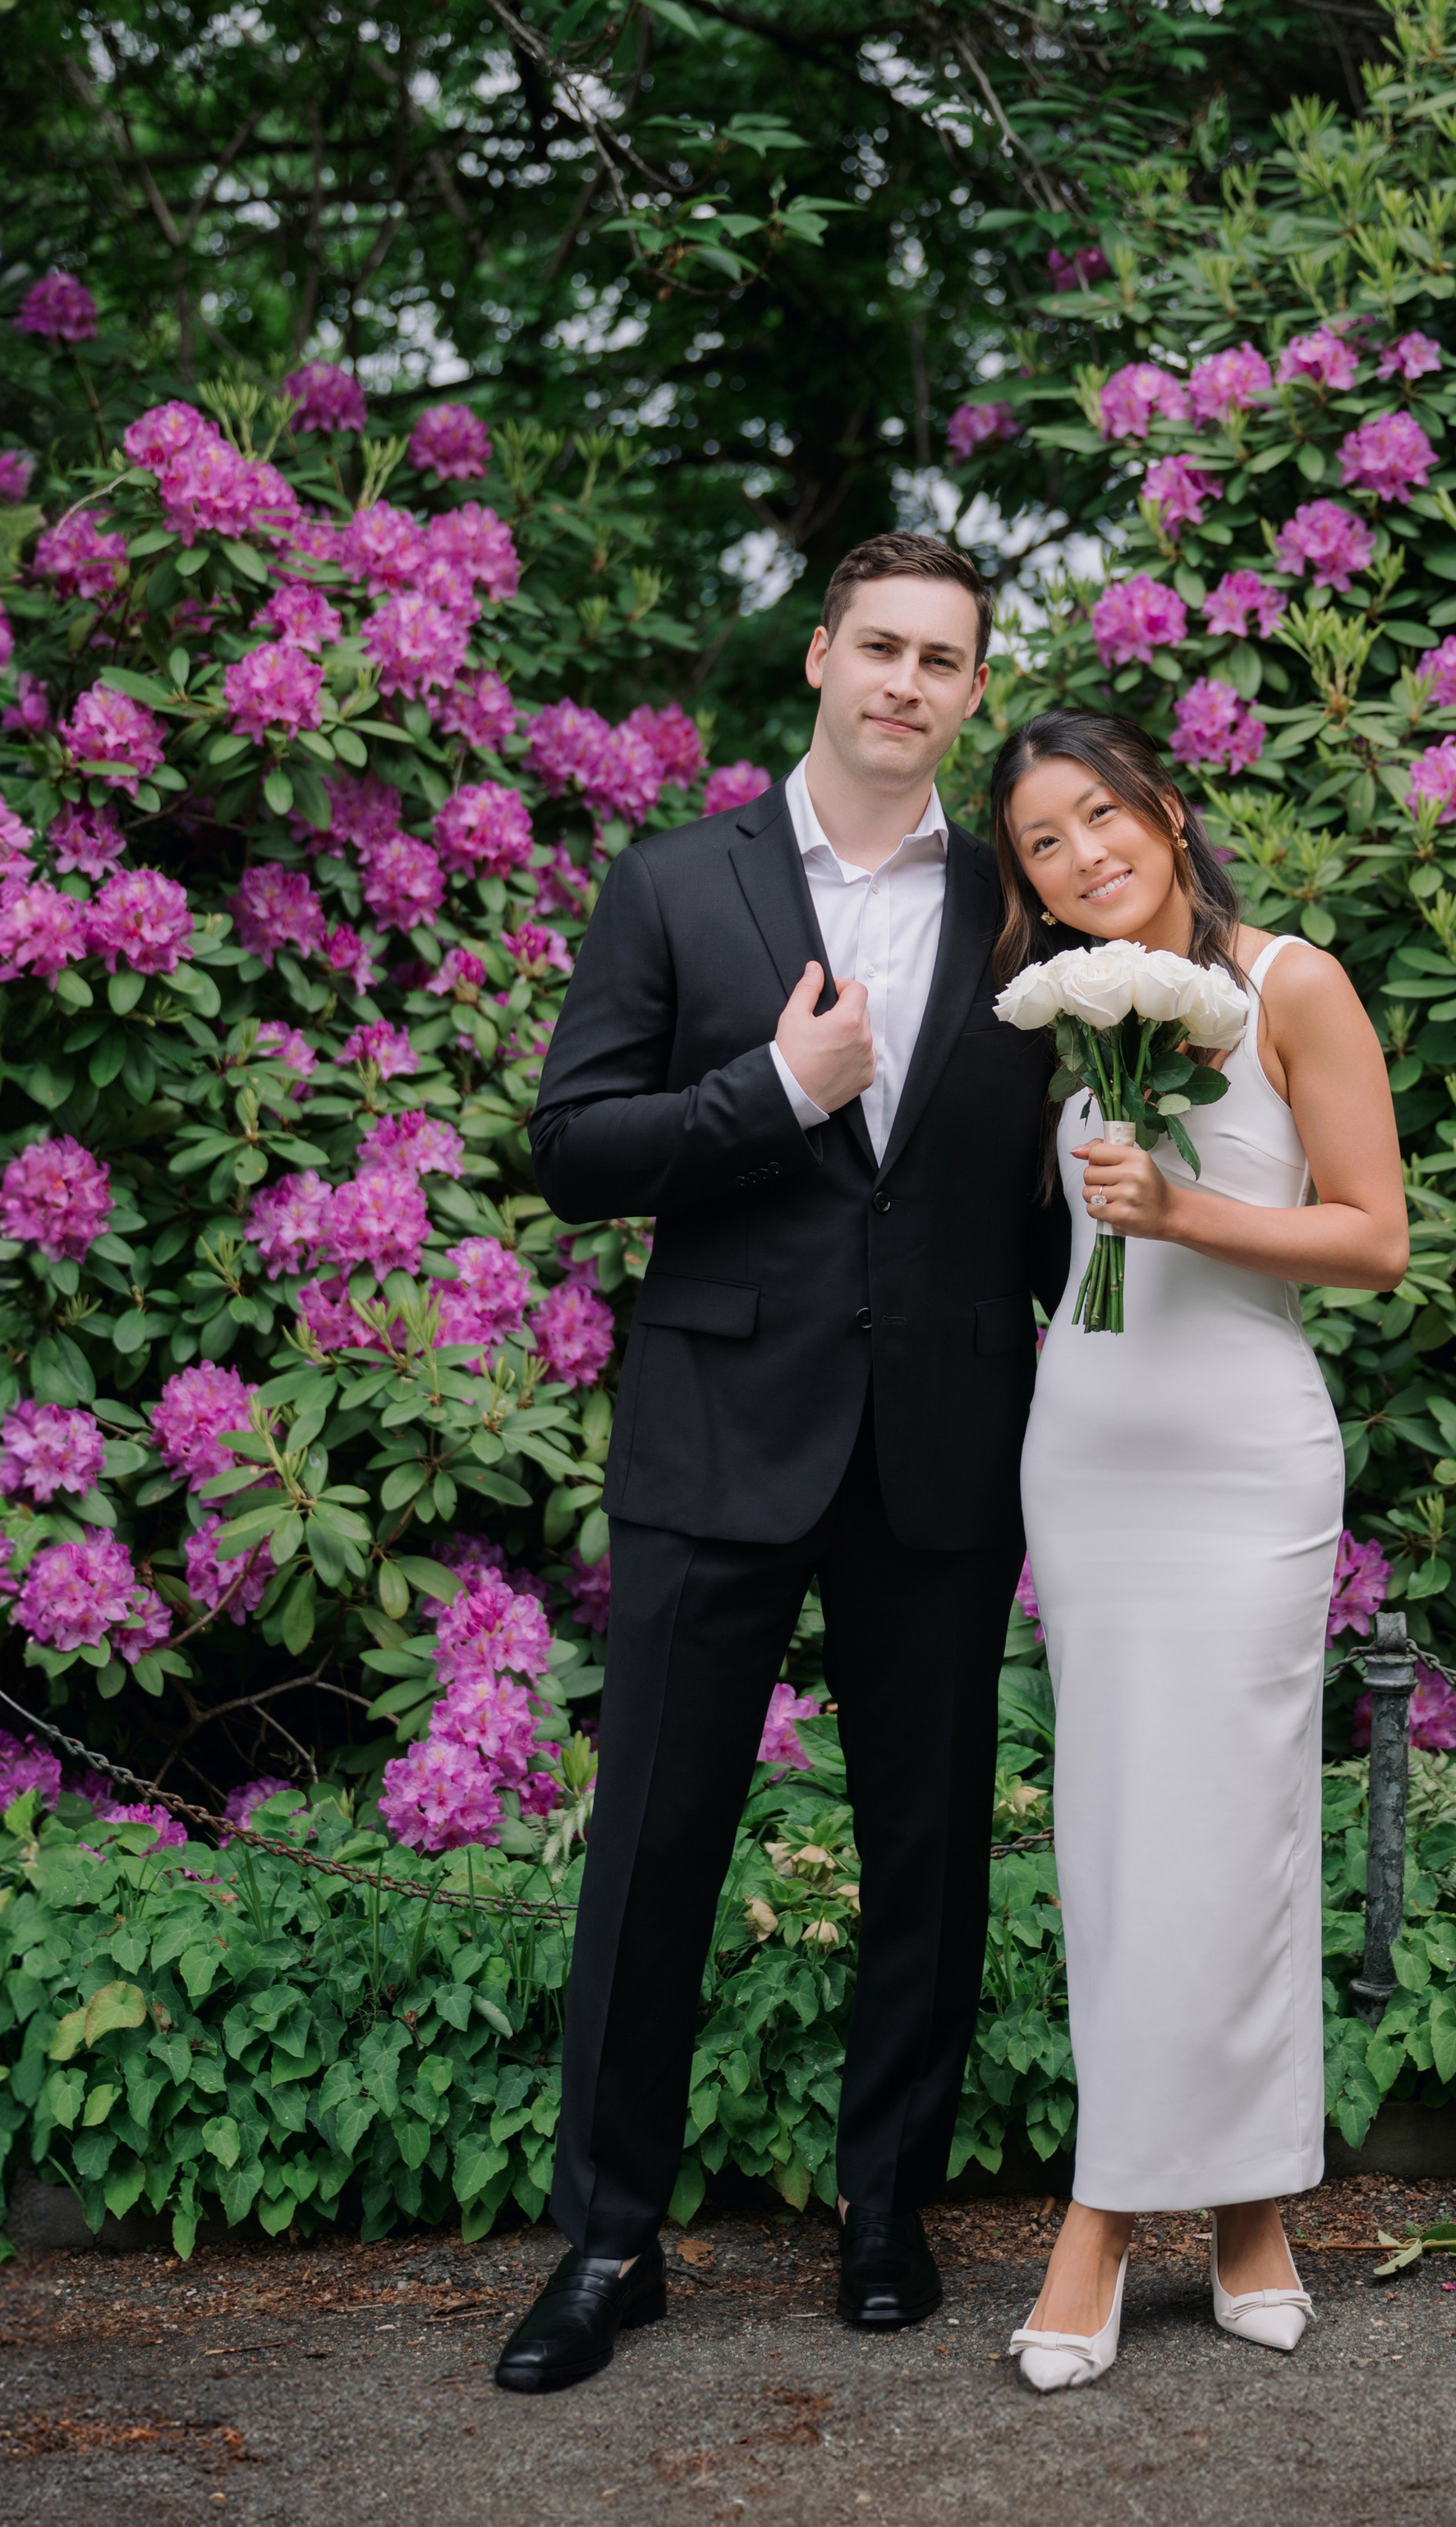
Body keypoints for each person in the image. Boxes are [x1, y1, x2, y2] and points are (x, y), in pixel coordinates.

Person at [494, 532, 1068, 2396]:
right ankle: (606, 2241)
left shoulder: (1022, 906)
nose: (906, 682)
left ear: (971, 691)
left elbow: (1045, 1197)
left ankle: (886, 2211)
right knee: (653, 1846)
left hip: (943, 1443)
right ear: (819, 657)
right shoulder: (677, 880)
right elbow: (572, 1145)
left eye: (942, 658)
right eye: (878, 645)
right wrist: (771, 1094)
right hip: (716, 1433)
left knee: (927, 1849)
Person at [991, 710, 1408, 2392]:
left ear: (1167, 811)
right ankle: (1180, 2204)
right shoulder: (1051, 1011)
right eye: (1043, 841)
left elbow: (1372, 1237)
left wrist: (1183, 1212)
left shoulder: (1291, 983)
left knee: (1238, 1833)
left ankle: (1193, 2212)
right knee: (1111, 1835)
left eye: (1102, 814)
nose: (1083, 853)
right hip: (1090, 1451)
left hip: (1244, 1459)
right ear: (1027, 883)